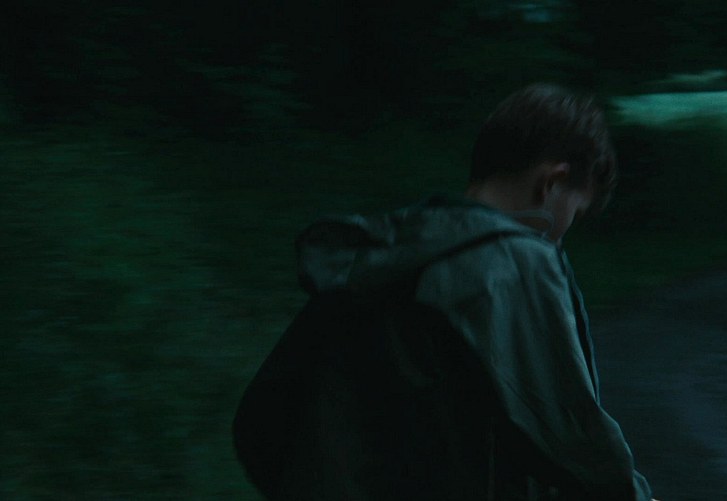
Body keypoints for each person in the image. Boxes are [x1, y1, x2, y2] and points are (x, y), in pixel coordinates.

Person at [235, 83, 656, 500]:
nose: (562, 237)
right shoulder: (512, 263)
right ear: (552, 182)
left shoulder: (392, 254)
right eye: (574, 213)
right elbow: (567, 430)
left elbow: (267, 416)